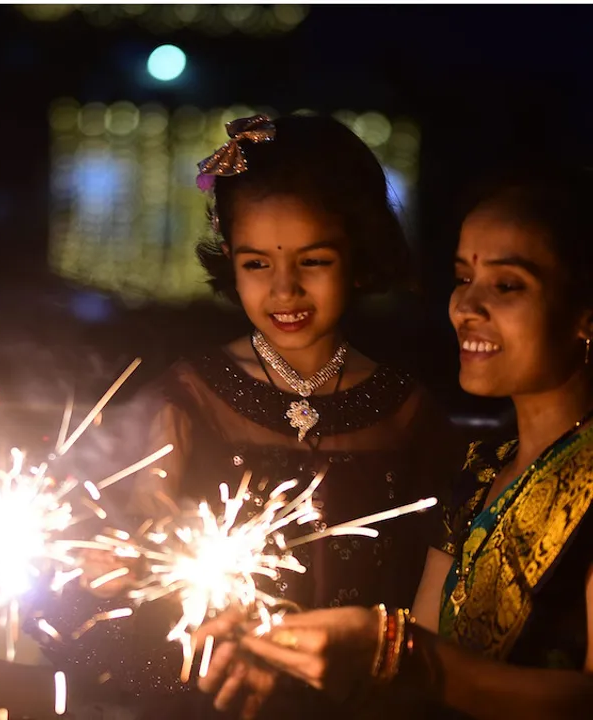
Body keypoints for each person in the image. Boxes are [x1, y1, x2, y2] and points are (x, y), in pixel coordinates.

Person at [24, 114, 461, 719]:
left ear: (358, 258)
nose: (284, 291)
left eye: (313, 262)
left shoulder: (408, 411)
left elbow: (438, 591)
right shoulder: (185, 401)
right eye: (258, 264)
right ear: (229, 259)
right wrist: (108, 570)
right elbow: (117, 572)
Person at [193, 165, 593, 720]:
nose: (466, 309)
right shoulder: (478, 474)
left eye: (506, 286)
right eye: (462, 279)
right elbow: (418, 689)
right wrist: (293, 665)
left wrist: (393, 650)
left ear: (584, 313)